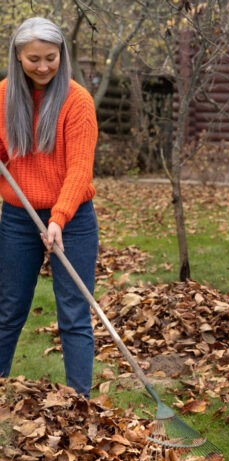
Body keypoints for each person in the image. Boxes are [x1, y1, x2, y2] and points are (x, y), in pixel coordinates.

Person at [0, 18, 99, 398]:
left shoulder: (78, 101)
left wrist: (58, 218)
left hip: (73, 220)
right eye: (33, 59)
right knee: (8, 311)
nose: (43, 67)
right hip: (18, 219)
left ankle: (80, 403)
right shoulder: (5, 96)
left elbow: (79, 170)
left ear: (63, 55)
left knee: (74, 315)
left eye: (51, 58)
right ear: (18, 57)